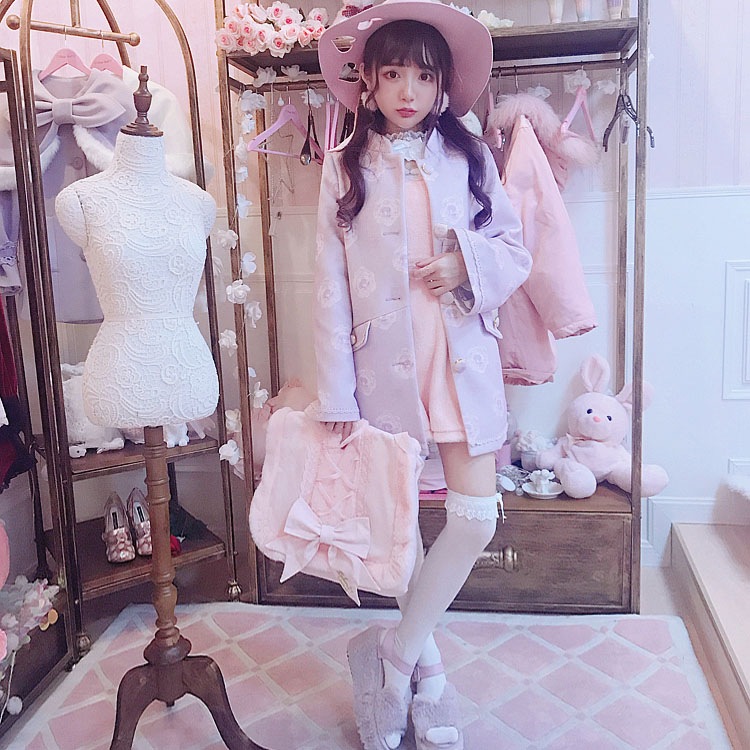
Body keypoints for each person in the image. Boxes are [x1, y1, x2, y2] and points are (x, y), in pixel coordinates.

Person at [311, 2, 532, 749]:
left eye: (425, 76)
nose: (409, 91)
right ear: (367, 82)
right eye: (394, 74)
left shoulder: (469, 155)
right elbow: (328, 284)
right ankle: (430, 674)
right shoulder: (343, 166)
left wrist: (463, 264)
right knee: (399, 527)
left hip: (460, 361)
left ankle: (396, 654)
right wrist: (336, 392)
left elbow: (514, 248)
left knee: (475, 518)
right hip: (379, 371)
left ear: (443, 86)